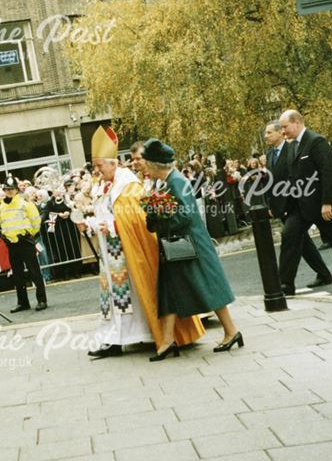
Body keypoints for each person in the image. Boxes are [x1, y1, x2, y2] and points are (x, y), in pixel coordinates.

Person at [83, 128, 204, 358]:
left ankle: (146, 334)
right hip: (112, 251)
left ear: (113, 163)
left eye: (100, 166)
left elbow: (137, 217)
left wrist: (113, 227)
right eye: (94, 166)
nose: (96, 171)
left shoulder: (127, 184)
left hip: (128, 251)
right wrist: (92, 224)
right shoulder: (103, 184)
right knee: (116, 295)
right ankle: (115, 338)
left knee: (136, 295)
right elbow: (106, 212)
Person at [139, 139, 241, 360]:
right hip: (176, 245)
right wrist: (153, 216)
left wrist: (157, 217)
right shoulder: (164, 182)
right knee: (168, 291)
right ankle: (167, 341)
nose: (143, 167)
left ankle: (231, 331)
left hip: (189, 244)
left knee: (207, 286)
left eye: (146, 163)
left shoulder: (176, 182)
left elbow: (186, 215)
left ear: (156, 164)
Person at [278, 110, 332, 301]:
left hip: (322, 205)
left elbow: (328, 173)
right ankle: (285, 285)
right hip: (301, 206)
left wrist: (327, 202)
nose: (283, 132)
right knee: (289, 235)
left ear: (297, 122)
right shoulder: (292, 145)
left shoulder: (316, 141)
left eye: (285, 127)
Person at [263, 121, 331, 292]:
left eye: (269, 132)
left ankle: (285, 283)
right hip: (281, 206)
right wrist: (271, 204)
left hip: (297, 203)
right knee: (302, 242)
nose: (266, 136)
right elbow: (271, 182)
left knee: (289, 236)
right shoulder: (270, 154)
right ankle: (323, 274)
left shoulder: (292, 149)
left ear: (280, 133)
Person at [0, 177, 47, 312]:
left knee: (34, 272)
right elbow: (1, 223)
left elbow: (35, 221)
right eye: (7, 189)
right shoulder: (2, 207)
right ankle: (23, 302)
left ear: (16, 190)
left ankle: (42, 300)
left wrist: (29, 234)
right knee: (17, 274)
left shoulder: (25, 203)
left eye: (11, 189)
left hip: (24, 241)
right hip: (11, 243)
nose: (9, 192)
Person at [42, 187, 80, 281]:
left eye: (59, 190)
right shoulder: (50, 202)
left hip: (70, 228)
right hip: (59, 230)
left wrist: (68, 211)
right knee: (61, 251)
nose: (58, 192)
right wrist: (58, 215)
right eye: (56, 190)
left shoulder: (66, 199)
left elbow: (74, 208)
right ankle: (65, 272)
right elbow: (46, 213)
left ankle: (76, 271)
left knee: (73, 249)